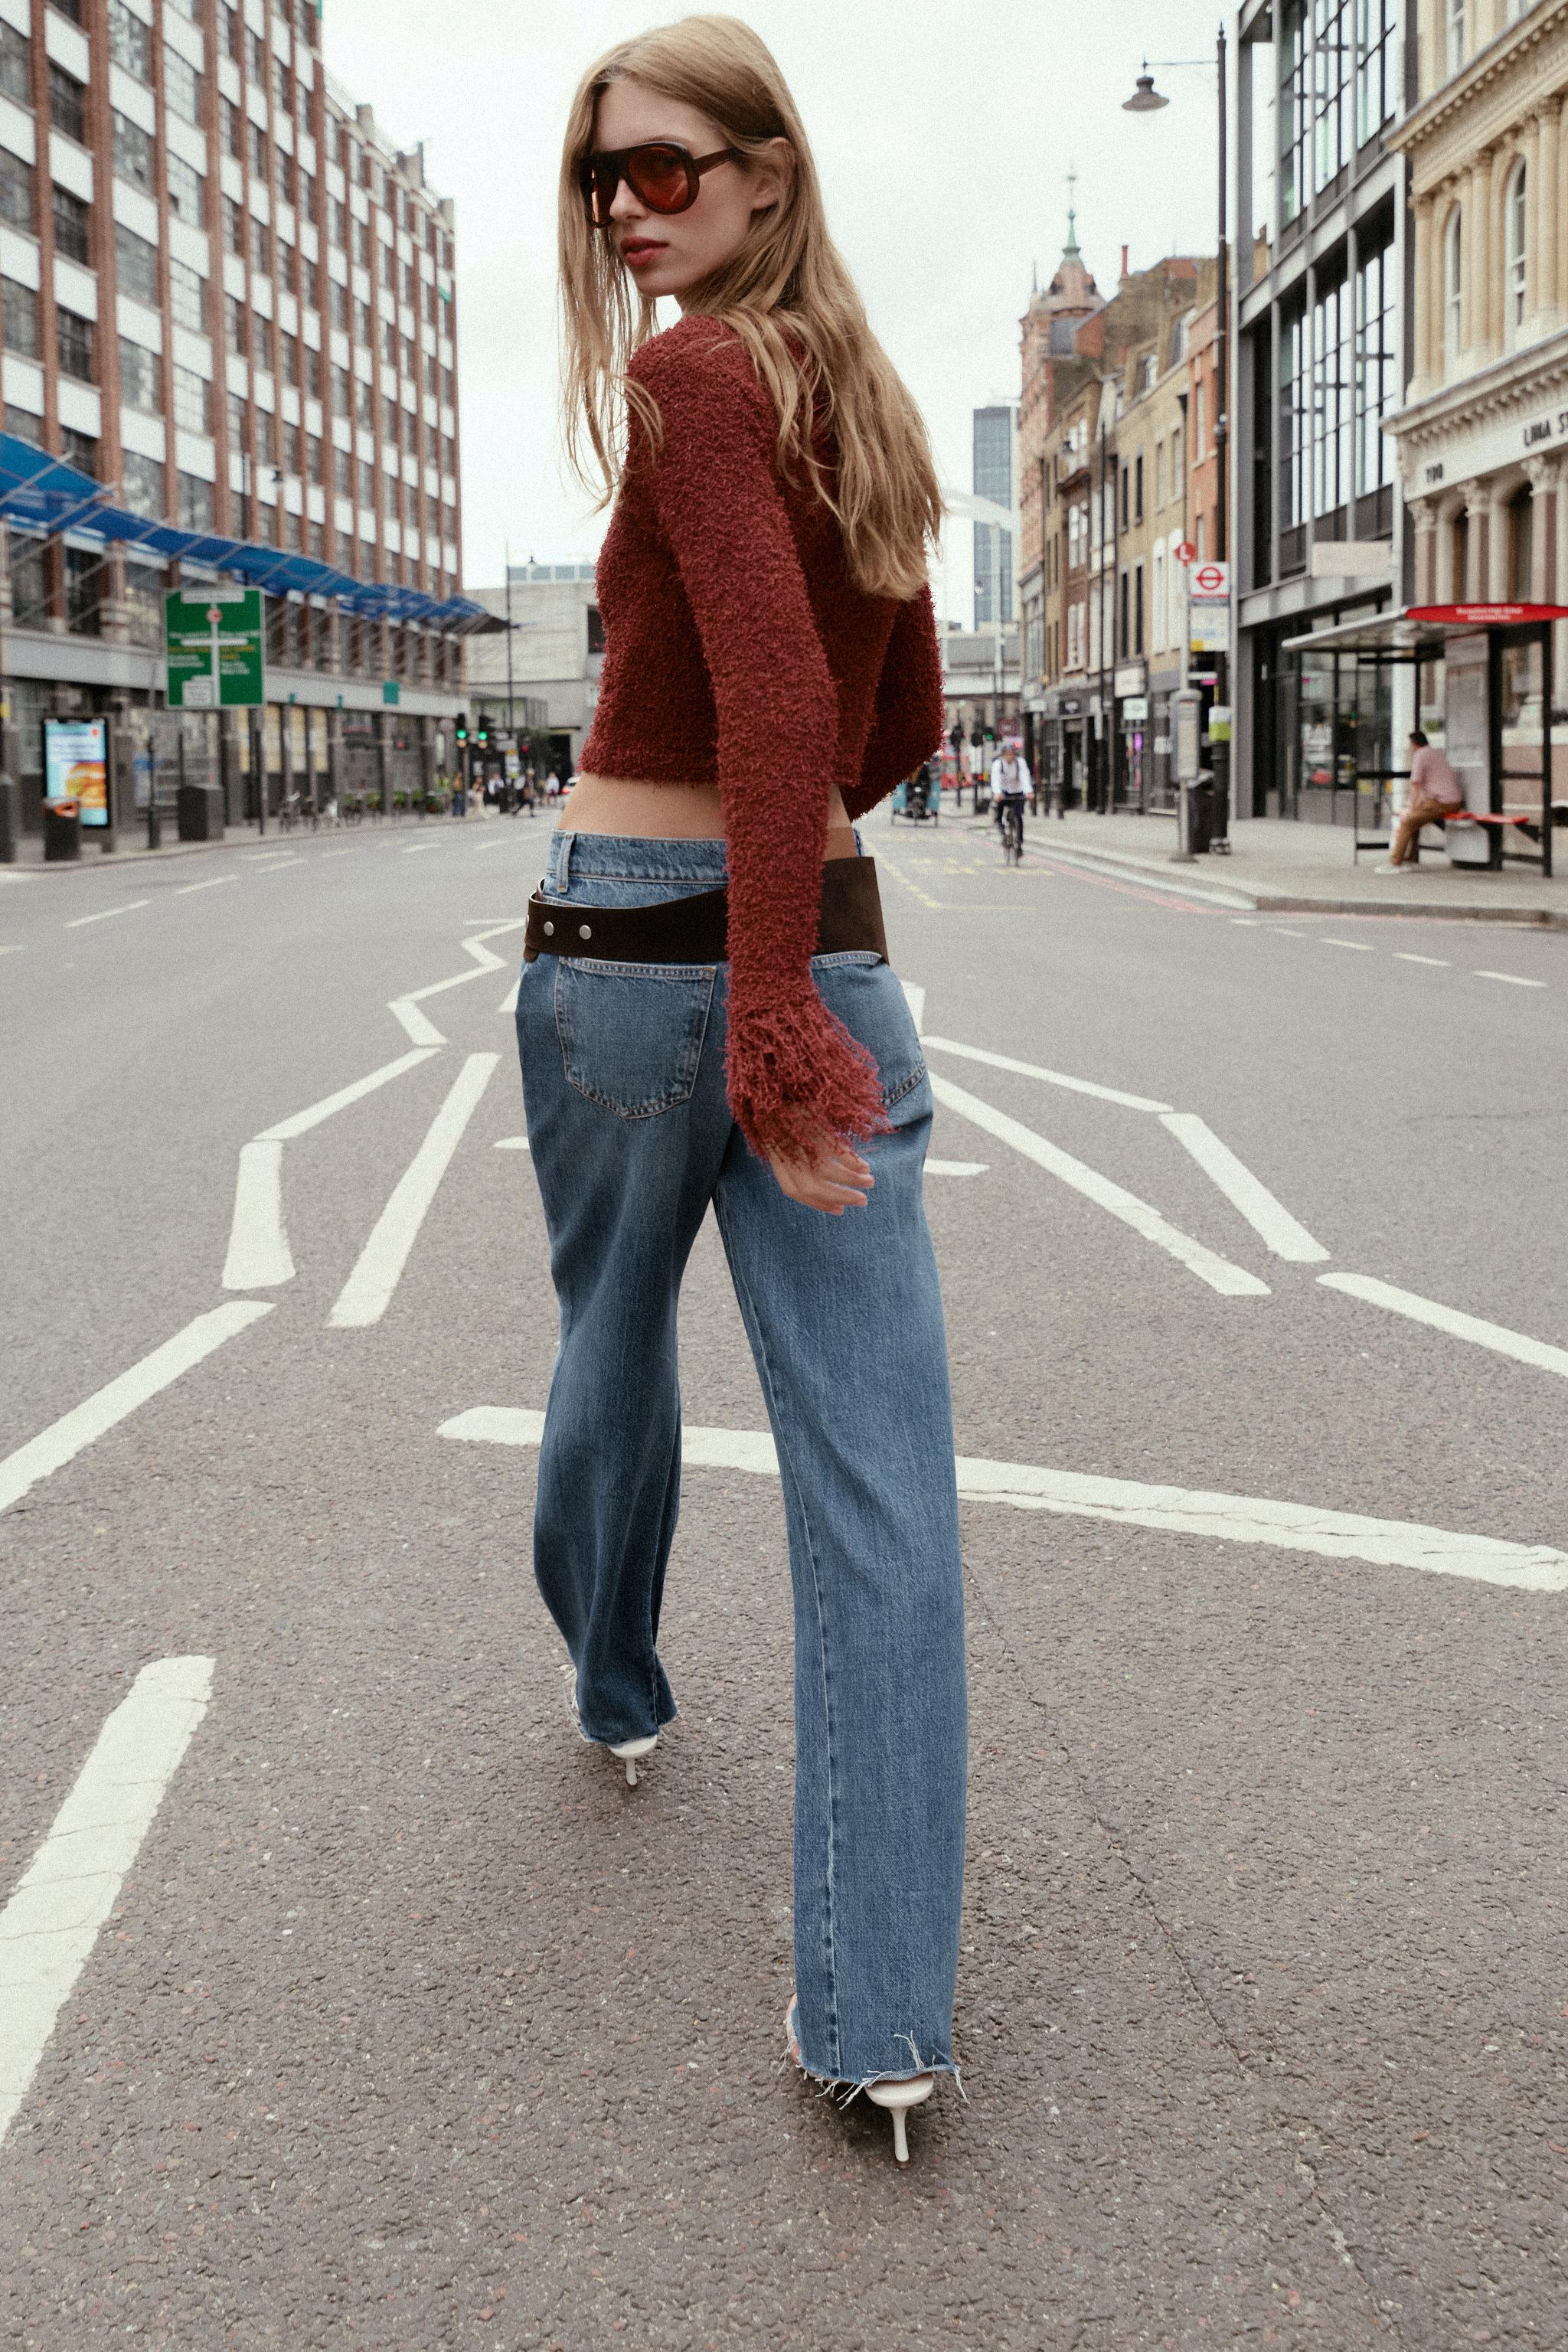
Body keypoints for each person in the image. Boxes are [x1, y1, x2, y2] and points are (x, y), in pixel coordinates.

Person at [517, 13, 965, 2165]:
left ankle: (613, 1683)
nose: (629, 207)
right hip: (834, 945)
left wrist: (752, 994)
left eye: (669, 167)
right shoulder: (858, 397)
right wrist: (798, 945)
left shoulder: (696, 373)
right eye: (607, 174)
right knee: (884, 1490)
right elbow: (903, 716)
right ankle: (882, 2024)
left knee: (608, 1339)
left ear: (772, 175)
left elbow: (789, 692)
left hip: (645, 956)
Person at [1377, 730, 1463, 871]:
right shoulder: (1437, 753)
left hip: (1441, 803)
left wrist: (1411, 808)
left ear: (1414, 744)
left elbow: (1415, 784)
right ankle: (1410, 859)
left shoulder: (1420, 756)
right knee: (1415, 822)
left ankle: (1395, 862)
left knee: (1408, 822)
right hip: (1455, 801)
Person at [991, 739, 1031, 851]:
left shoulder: (1020, 763)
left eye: (1012, 753)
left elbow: (1025, 777)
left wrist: (1028, 792)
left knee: (1018, 816)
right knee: (999, 807)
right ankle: (1000, 825)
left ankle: (1019, 842)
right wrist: (997, 793)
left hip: (1017, 791)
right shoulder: (998, 764)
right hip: (1003, 791)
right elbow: (995, 779)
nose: (1010, 756)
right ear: (1003, 754)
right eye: (1007, 754)